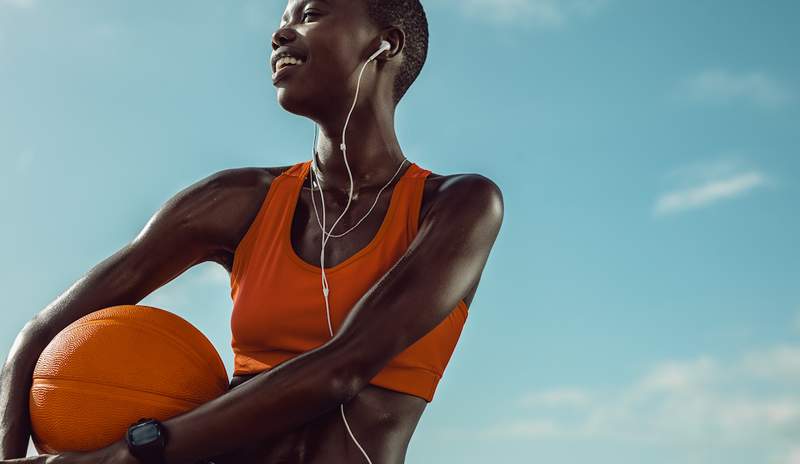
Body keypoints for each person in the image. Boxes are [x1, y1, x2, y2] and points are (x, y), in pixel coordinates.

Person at [0, 0, 504, 462]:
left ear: (385, 45)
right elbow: (39, 335)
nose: (280, 33)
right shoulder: (238, 201)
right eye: (282, 20)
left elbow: (343, 368)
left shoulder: (458, 206)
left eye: (312, 13)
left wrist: (127, 455)